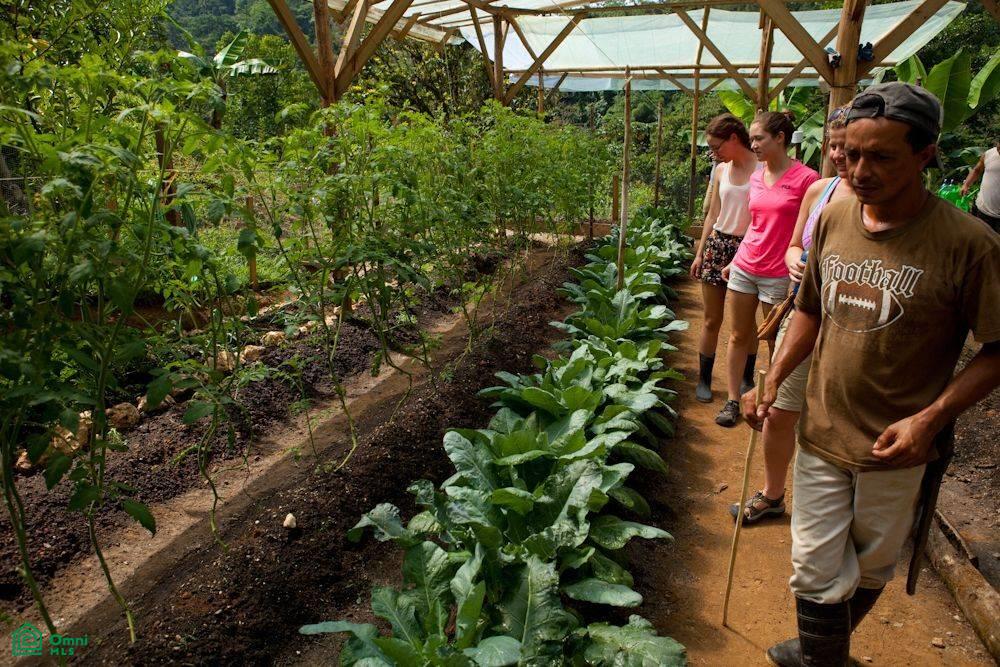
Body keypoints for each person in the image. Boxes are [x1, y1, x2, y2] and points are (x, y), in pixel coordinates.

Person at [743, 82, 1000, 666]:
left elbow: (996, 349)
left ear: (925, 154)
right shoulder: (834, 219)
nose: (860, 169)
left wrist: (931, 419)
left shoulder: (970, 245)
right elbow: (809, 308)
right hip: (823, 427)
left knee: (873, 563)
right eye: (851, 153)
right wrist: (775, 376)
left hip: (898, 443)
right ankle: (823, 658)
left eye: (881, 156)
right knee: (813, 568)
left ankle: (815, 651)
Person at [731, 105, 856, 523]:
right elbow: (794, 242)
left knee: (837, 413)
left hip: (854, 328)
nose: (839, 155)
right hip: (803, 308)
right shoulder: (820, 190)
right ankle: (773, 493)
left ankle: (843, 503)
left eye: (849, 146)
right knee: (780, 408)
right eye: (834, 145)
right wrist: (794, 256)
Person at [715, 111, 819, 427]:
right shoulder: (756, 176)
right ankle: (733, 400)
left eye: (759, 138)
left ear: (780, 139)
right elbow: (756, 224)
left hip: (779, 272)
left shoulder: (807, 179)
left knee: (777, 340)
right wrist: (735, 259)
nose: (753, 144)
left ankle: (772, 403)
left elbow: (809, 231)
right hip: (747, 264)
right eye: (752, 138)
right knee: (737, 335)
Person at [690, 113, 758, 402]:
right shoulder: (720, 170)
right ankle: (704, 379)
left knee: (746, 323)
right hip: (718, 245)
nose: (713, 152)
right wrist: (700, 251)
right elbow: (713, 214)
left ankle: (747, 377)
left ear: (734, 137)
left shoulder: (763, 170)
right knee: (711, 319)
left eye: (716, 146)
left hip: (750, 247)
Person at [960, 139, 1000, 232]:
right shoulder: (989, 154)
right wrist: (966, 184)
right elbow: (977, 170)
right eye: (999, 148)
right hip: (982, 210)